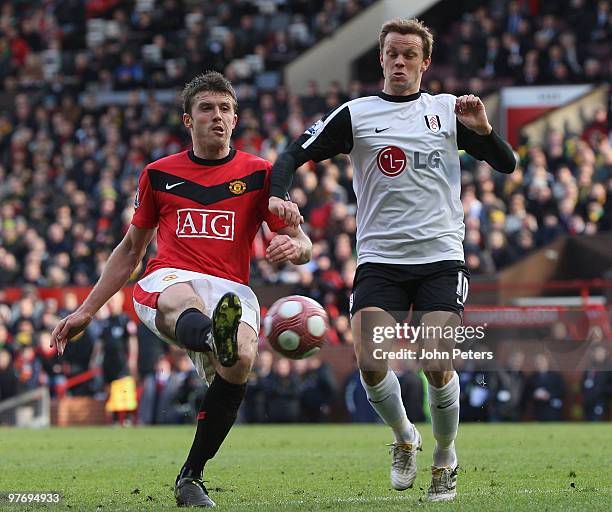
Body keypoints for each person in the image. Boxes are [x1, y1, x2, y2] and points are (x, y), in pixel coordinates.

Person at [269, 18, 515, 502]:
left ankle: (445, 456)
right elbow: (289, 155)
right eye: (392, 54)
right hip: (380, 260)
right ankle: (405, 437)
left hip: (441, 257)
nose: (400, 62)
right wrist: (278, 198)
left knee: (436, 359)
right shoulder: (356, 114)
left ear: (425, 62)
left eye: (409, 55)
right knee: (370, 359)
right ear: (381, 59)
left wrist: (483, 130)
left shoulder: (447, 110)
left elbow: (506, 163)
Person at [51, 71, 312, 507]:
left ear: (236, 118)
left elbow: (304, 245)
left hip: (230, 288)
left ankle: (191, 477)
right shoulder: (157, 174)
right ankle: (215, 335)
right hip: (169, 277)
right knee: (183, 298)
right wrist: (87, 311)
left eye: (225, 109)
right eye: (207, 108)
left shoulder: (262, 174)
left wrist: (294, 246)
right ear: (187, 120)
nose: (218, 116)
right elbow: (131, 249)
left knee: (243, 358)